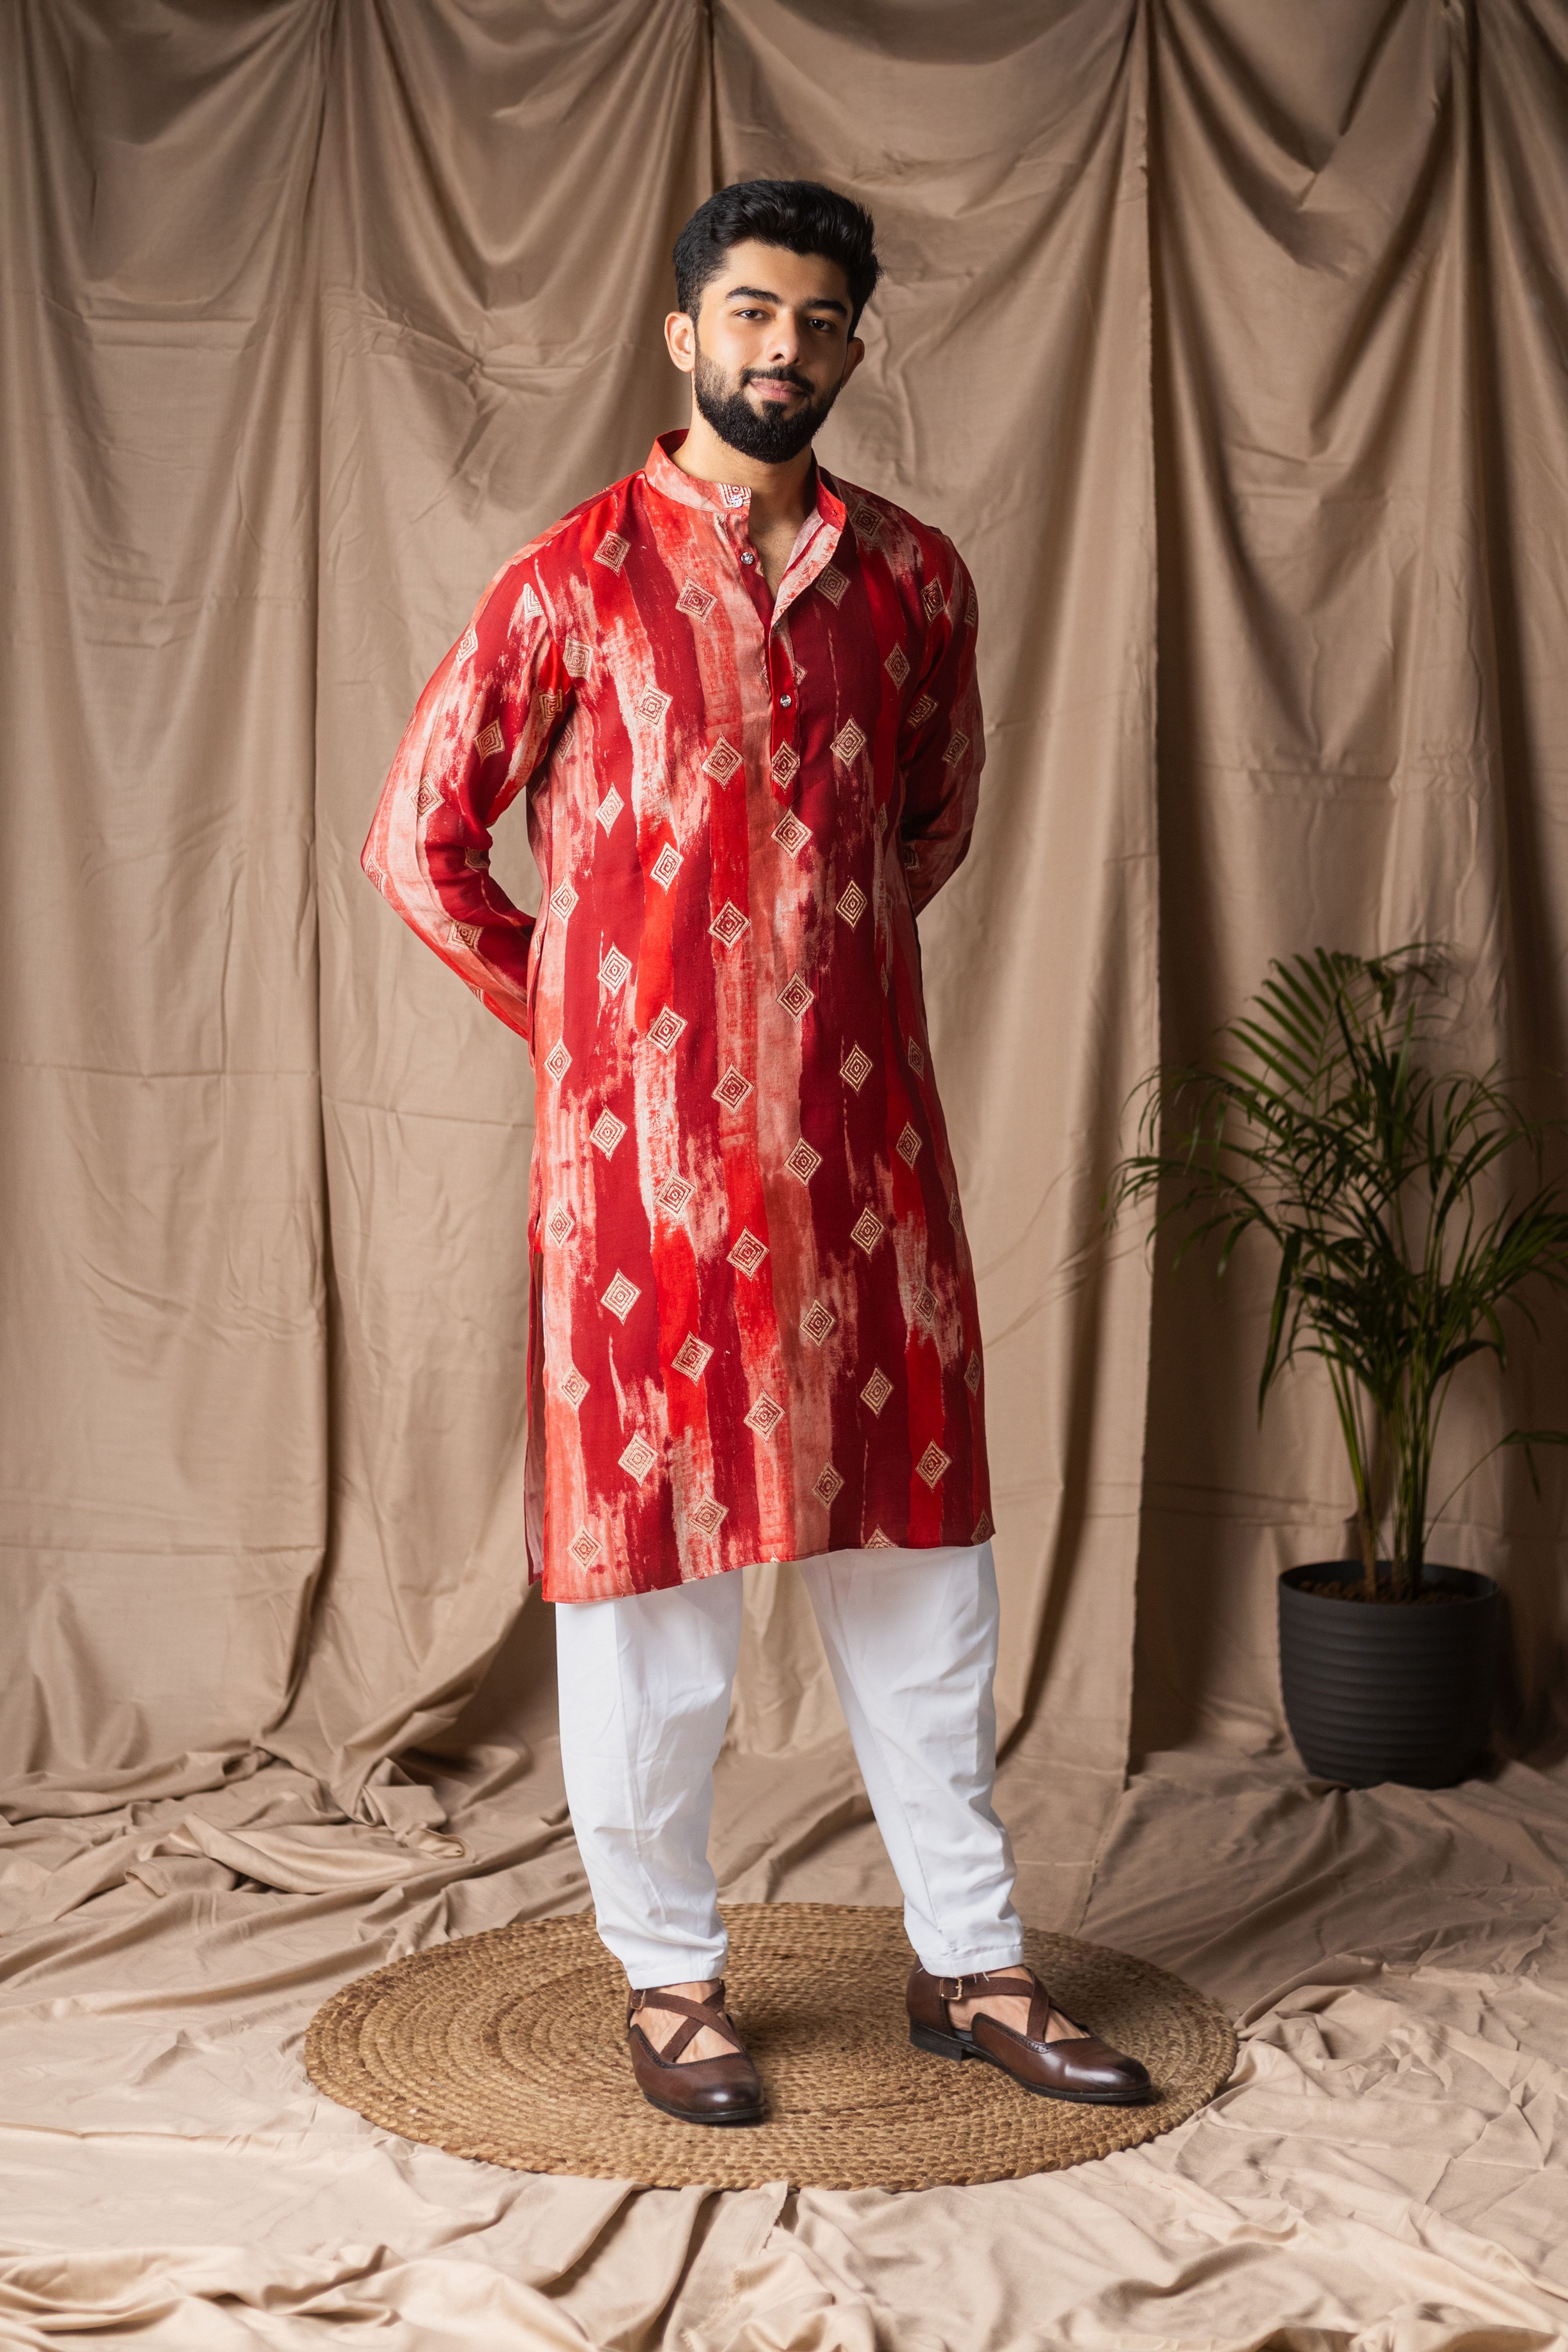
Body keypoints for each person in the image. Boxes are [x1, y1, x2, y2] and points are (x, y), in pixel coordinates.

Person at [364, 179, 1149, 2126]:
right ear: (684, 333)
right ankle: (670, 1982)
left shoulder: (916, 583)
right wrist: (604, 1030)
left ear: (854, 344)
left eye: (816, 319)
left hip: (871, 1170)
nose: (780, 348)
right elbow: (420, 844)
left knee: (926, 1589)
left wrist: (806, 1002)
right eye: (748, 313)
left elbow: (932, 819)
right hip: (643, 1196)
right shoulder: (569, 582)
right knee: (650, 1602)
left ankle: (972, 1963)